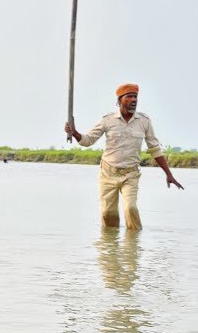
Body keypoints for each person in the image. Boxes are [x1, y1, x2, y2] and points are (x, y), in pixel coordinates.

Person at [65, 83, 183, 230]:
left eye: (135, 97)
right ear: (119, 100)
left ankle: (133, 248)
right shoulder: (108, 120)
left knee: (130, 209)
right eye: (129, 97)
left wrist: (169, 174)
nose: (134, 100)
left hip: (130, 174)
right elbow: (88, 140)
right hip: (108, 174)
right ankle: (112, 250)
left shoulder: (144, 121)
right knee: (108, 214)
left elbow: (155, 149)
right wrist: (75, 132)